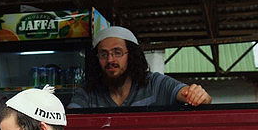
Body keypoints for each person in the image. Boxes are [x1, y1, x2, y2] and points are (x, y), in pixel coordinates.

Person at [69, 26, 212, 108]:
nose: (110, 59)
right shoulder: (87, 93)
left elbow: (194, 96)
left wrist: (198, 95)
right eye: (103, 54)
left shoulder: (155, 84)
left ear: (132, 56)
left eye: (117, 53)